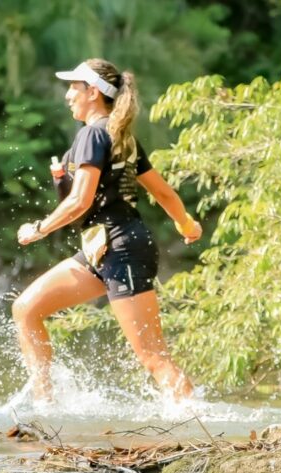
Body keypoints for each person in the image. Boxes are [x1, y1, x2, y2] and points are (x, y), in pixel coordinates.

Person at [13, 58, 203, 403]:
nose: (68, 95)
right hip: (101, 250)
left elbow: (79, 201)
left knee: (153, 357)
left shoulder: (93, 134)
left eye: (74, 87)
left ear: (93, 92)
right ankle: (45, 406)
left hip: (121, 249)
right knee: (26, 309)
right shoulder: (118, 137)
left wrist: (39, 229)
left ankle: (198, 420)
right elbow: (163, 193)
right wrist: (186, 224)